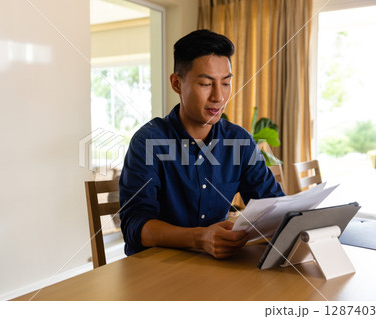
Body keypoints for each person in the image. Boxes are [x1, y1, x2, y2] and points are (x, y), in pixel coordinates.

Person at [119, 29, 284, 259]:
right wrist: (201, 238)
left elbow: (274, 207)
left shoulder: (238, 141)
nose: (219, 96)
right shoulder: (148, 142)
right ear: (177, 83)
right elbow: (135, 226)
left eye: (226, 83)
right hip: (156, 270)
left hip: (213, 267)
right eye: (206, 84)